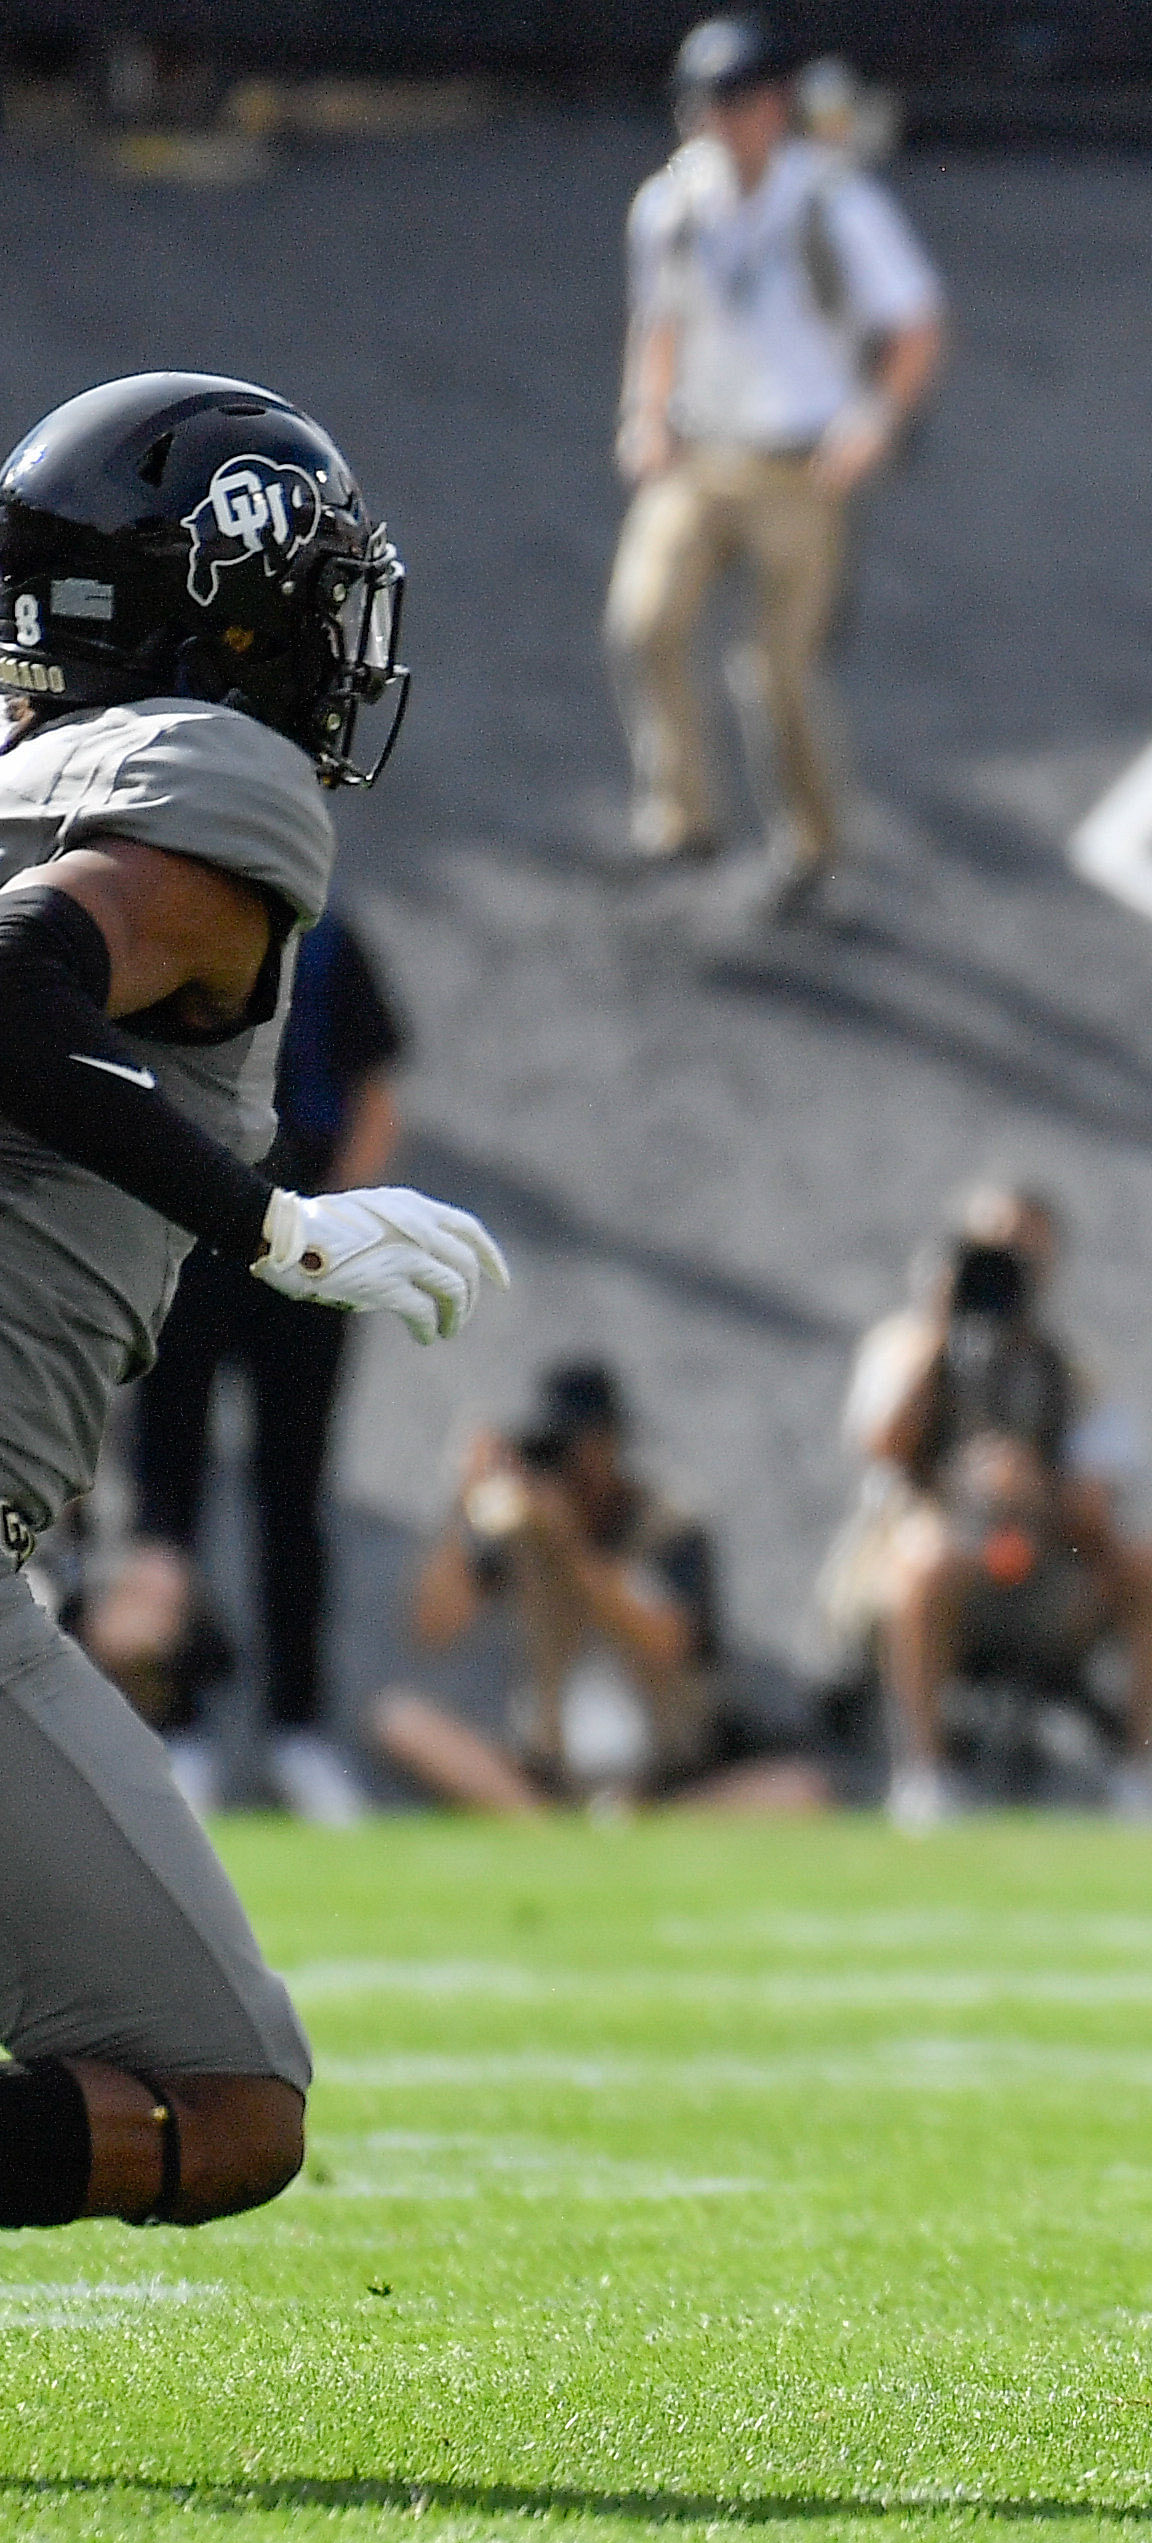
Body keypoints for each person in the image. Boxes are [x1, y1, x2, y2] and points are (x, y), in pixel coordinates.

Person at [0, 373, 505, 2237]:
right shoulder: (215, 786)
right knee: (229, 2110)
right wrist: (266, 1218)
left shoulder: (30, 778)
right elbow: (13, 987)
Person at [607, 11, 944, 911]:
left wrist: (872, 419)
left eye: (739, 102)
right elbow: (660, 321)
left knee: (777, 672)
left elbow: (914, 321)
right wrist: (646, 412)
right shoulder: (672, 206)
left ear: (776, 107)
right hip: (701, 453)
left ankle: (812, 841)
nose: (721, 121)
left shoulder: (833, 202)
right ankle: (682, 815)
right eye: (705, 105)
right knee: (646, 621)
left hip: (800, 466)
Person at [127, 904, 406, 1823]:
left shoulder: (325, 938)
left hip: (306, 1249)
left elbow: (375, 1090)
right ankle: (178, 1728)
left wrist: (331, 1227)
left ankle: (299, 1729)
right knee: (169, 1496)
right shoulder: (163, 918)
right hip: (186, 1243)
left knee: (294, 1495)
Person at [849, 1185, 1152, 1826]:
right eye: (992, 1250)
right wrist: (940, 1331)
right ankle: (925, 1776)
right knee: (924, 1559)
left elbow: (1100, 1504)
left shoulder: (1069, 1367)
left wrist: (1038, 1491)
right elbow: (880, 1447)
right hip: (931, 1569)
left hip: (1041, 1569)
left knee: (1151, 1564)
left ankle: (1137, 1776)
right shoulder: (905, 1348)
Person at [366, 1362, 820, 1817]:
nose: (573, 1467)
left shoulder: (671, 1526)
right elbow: (433, 1627)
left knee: (798, 1790)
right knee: (402, 1721)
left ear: (613, 1443)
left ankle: (627, 1833)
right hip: (552, 1773)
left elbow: (670, 1642)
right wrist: (461, 1505)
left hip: (665, 1778)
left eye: (582, 1445)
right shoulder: (524, 1528)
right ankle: (546, 1833)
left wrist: (570, 1545)